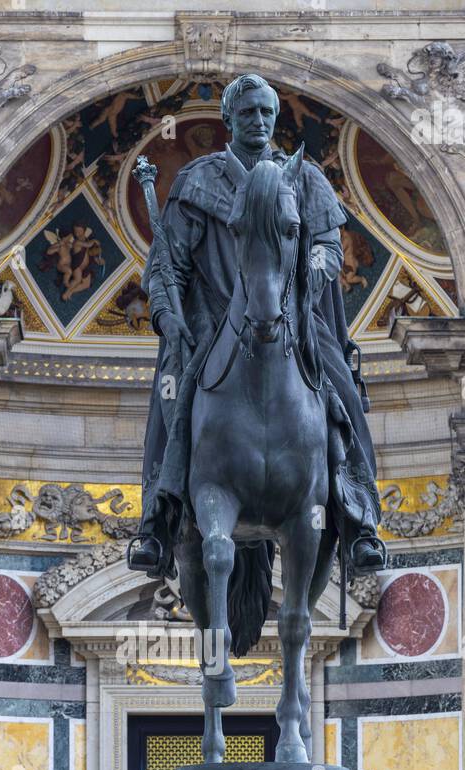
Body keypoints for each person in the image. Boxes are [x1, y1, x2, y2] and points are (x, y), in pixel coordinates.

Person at [128, 72, 386, 579]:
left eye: (267, 112)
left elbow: (329, 247)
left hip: (293, 317)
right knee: (172, 397)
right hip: (212, 322)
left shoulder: (304, 178)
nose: (259, 121)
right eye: (248, 113)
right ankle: (157, 522)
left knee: (343, 392)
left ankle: (359, 519)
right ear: (227, 120)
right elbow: (168, 266)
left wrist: (311, 270)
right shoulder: (198, 182)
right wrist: (167, 316)